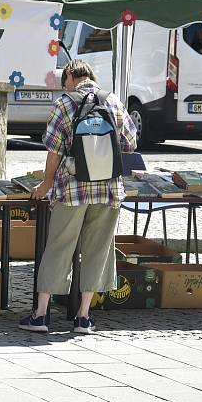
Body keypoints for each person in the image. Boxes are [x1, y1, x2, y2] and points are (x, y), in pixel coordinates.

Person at [20, 59, 136, 334]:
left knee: (60, 246)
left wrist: (46, 183)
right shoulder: (113, 101)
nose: (65, 85)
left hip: (72, 190)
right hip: (107, 190)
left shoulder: (65, 103)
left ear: (71, 74)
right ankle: (83, 316)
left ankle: (41, 315)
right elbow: (130, 143)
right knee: (98, 250)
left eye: (65, 81)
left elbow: (54, 149)